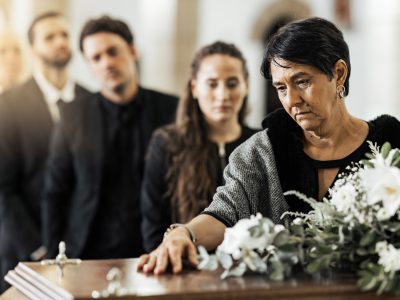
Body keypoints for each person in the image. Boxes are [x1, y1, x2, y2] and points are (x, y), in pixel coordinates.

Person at [137, 17, 400, 275]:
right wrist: (185, 233)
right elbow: (224, 212)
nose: (292, 100)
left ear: (339, 73)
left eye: (302, 81)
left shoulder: (390, 145)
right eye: (281, 88)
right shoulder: (260, 152)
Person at [42, 16, 178, 261]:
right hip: (86, 250)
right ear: (89, 65)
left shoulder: (172, 109)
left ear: (133, 51)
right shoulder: (72, 114)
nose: (106, 63)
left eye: (113, 52)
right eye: (96, 58)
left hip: (154, 250)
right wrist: (53, 255)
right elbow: (55, 190)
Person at [0, 12, 89, 291]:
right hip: (24, 249)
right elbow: (3, 186)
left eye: (64, 35)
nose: (60, 42)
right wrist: (36, 246)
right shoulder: (8, 105)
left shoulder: (91, 102)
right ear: (33, 48)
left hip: (84, 248)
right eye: (49, 37)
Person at [141, 41, 258, 252]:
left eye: (232, 83)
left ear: (246, 86)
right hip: (185, 268)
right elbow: (153, 226)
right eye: (212, 84)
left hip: (249, 270)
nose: (222, 95)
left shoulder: (260, 144)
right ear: (195, 88)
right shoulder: (167, 144)